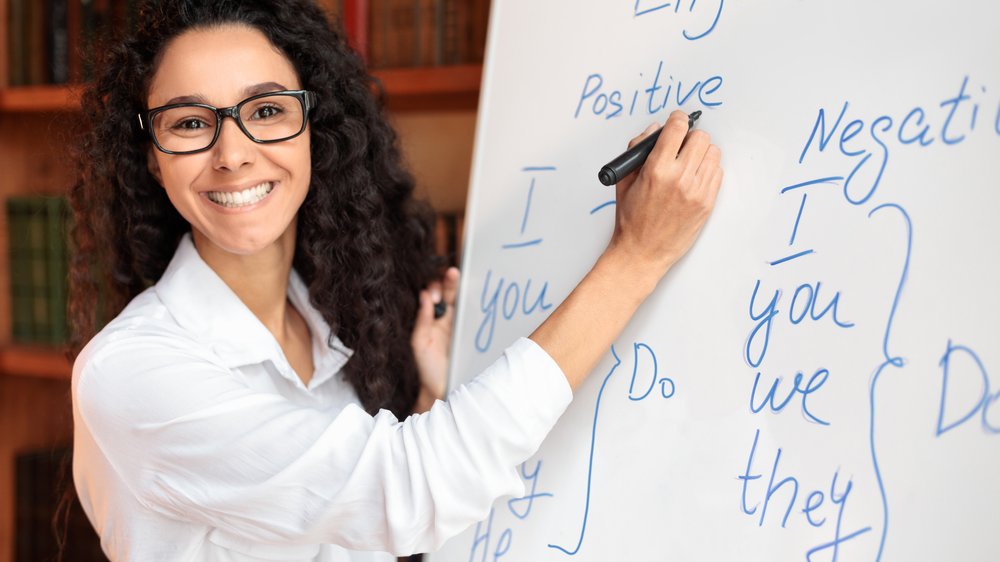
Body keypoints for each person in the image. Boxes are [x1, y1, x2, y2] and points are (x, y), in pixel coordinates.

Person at [67, 0, 724, 560]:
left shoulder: (322, 324)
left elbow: (359, 520)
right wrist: (637, 257)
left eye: (265, 110)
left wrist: (428, 401)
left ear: (311, 131)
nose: (232, 153)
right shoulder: (130, 372)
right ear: (151, 158)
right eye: (189, 123)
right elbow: (409, 487)